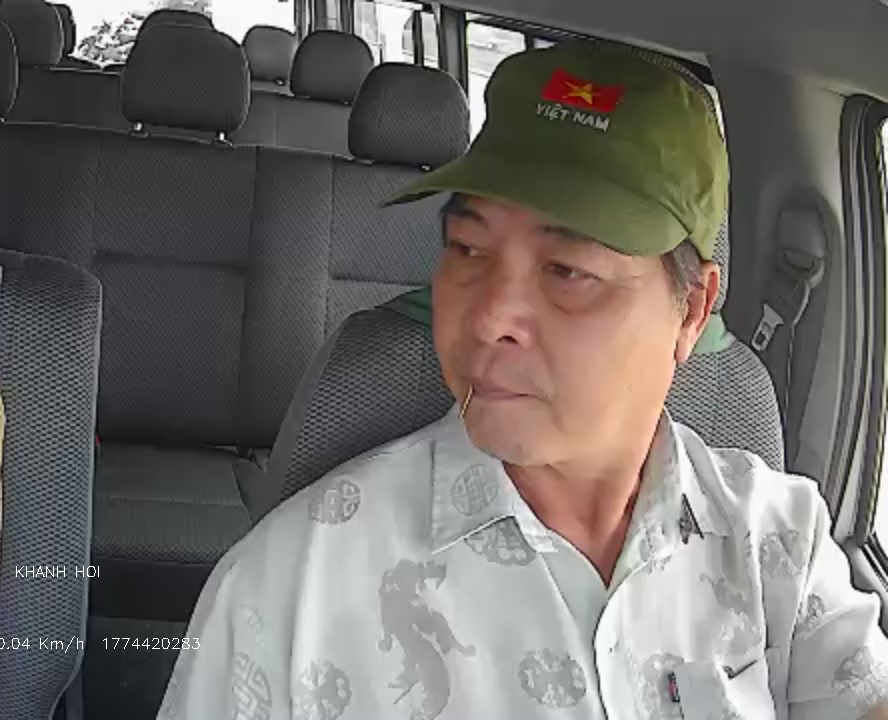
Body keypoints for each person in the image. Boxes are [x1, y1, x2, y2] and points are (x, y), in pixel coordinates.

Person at [156, 39, 888, 719]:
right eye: (468, 249)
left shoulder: (780, 548)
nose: (488, 317)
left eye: (567, 270)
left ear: (692, 310)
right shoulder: (290, 588)